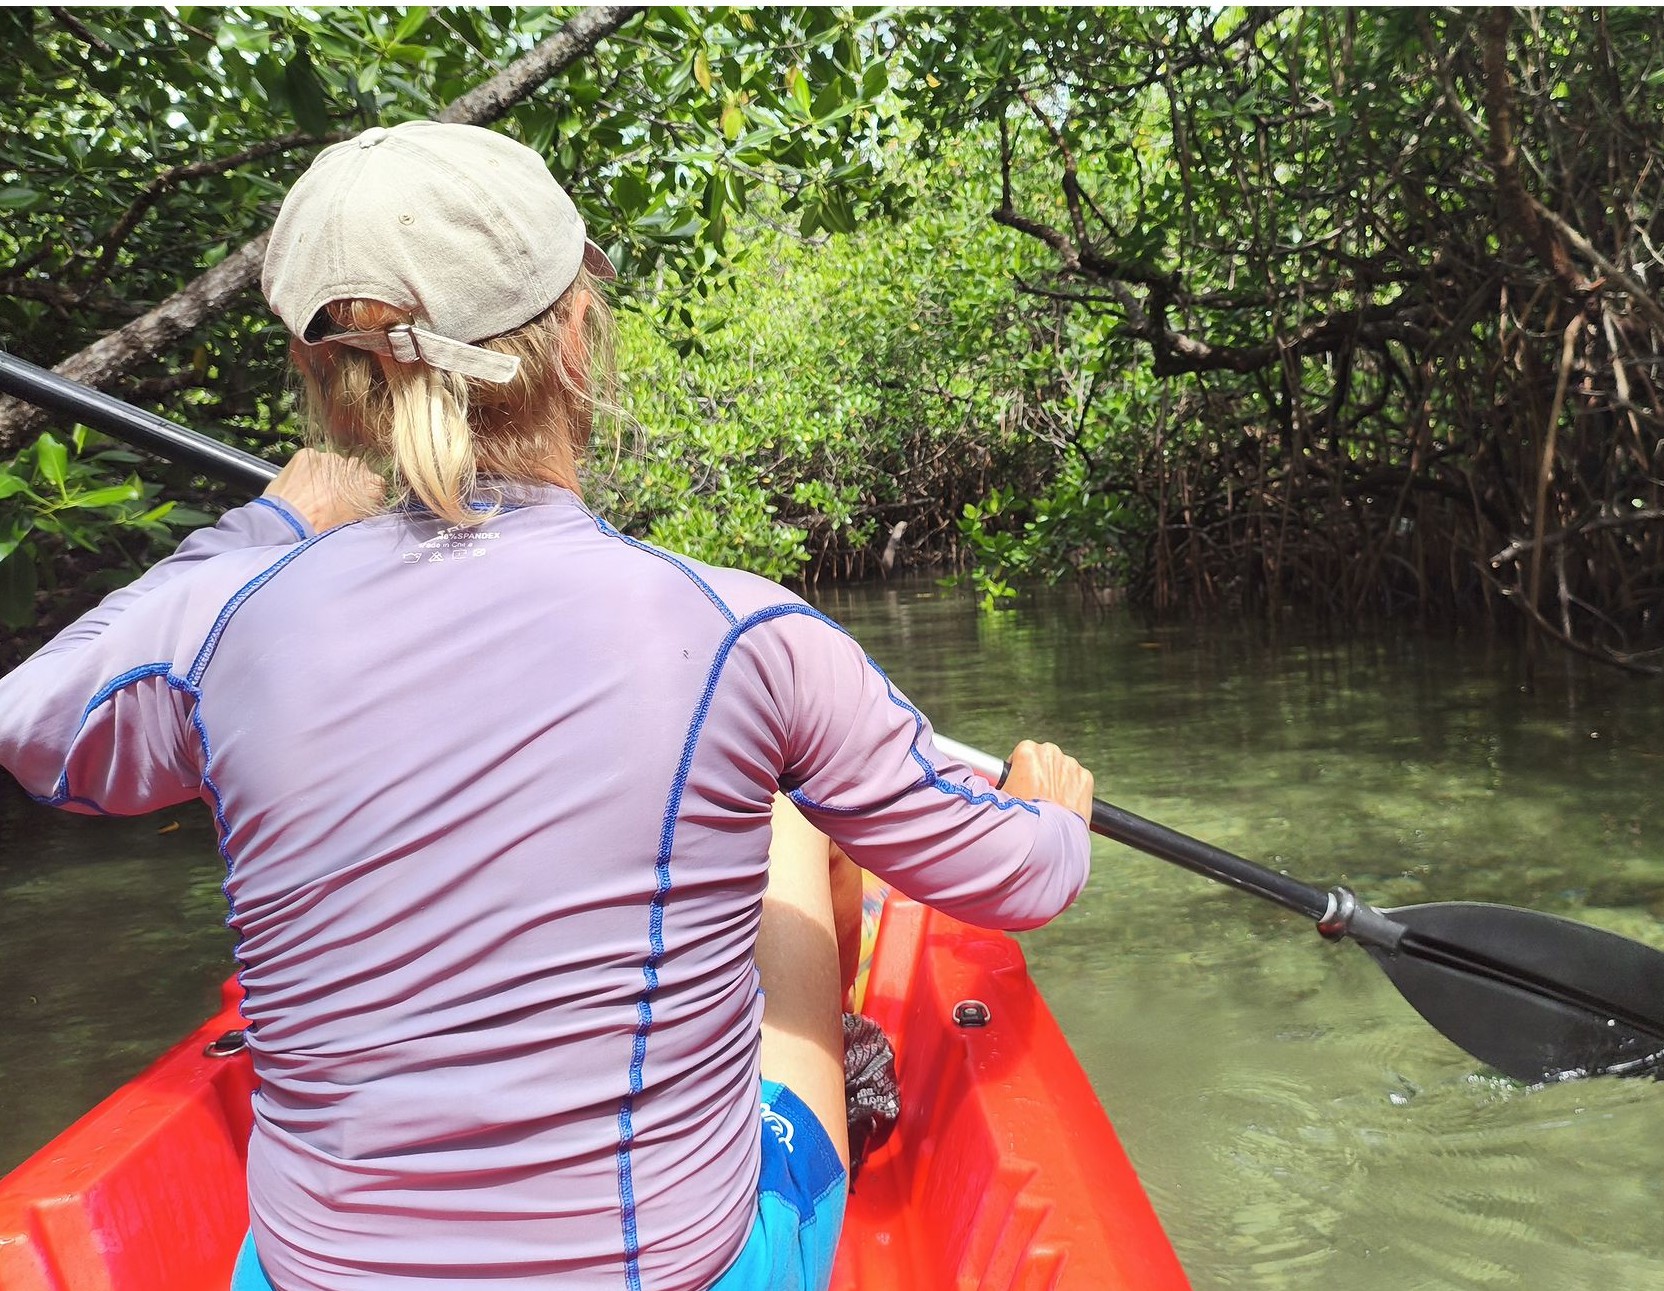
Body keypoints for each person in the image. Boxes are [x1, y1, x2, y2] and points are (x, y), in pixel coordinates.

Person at [0, 121, 1094, 1291]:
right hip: (665, 1273)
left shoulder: (223, 624)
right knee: (787, 818)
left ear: (320, 373)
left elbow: (33, 724)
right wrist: (1050, 808)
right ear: (578, 331)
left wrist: (271, 524)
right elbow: (1015, 879)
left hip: (309, 1277)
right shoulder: (743, 635)